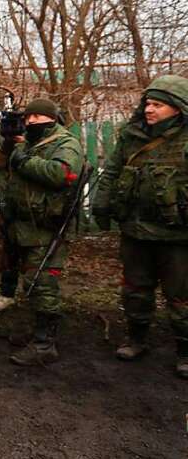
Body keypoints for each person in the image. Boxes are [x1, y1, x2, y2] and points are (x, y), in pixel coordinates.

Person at [92, 75, 188, 379]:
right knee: (135, 289)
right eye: (148, 103)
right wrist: (102, 204)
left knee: (181, 295)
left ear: (178, 108)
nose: (149, 109)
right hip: (135, 229)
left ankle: (185, 352)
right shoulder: (131, 135)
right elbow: (112, 172)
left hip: (178, 236)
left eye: (157, 104)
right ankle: (137, 339)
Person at [0, 98, 84, 365]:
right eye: (27, 117)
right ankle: (37, 334)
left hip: (46, 226)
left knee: (43, 285)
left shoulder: (65, 143)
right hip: (21, 225)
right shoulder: (26, 142)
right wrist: (10, 145)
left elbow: (61, 174)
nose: (31, 121)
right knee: (30, 283)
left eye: (37, 117)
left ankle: (45, 346)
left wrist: (21, 158)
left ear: (51, 118)